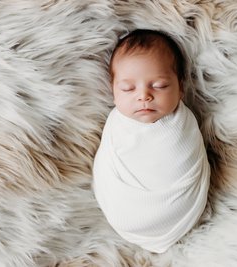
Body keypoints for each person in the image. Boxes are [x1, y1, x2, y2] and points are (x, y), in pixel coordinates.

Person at [93, 29, 210, 253]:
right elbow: (107, 164)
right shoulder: (117, 125)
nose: (144, 96)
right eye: (128, 88)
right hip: (124, 210)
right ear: (114, 91)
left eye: (159, 86)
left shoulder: (183, 125)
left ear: (181, 87)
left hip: (177, 211)